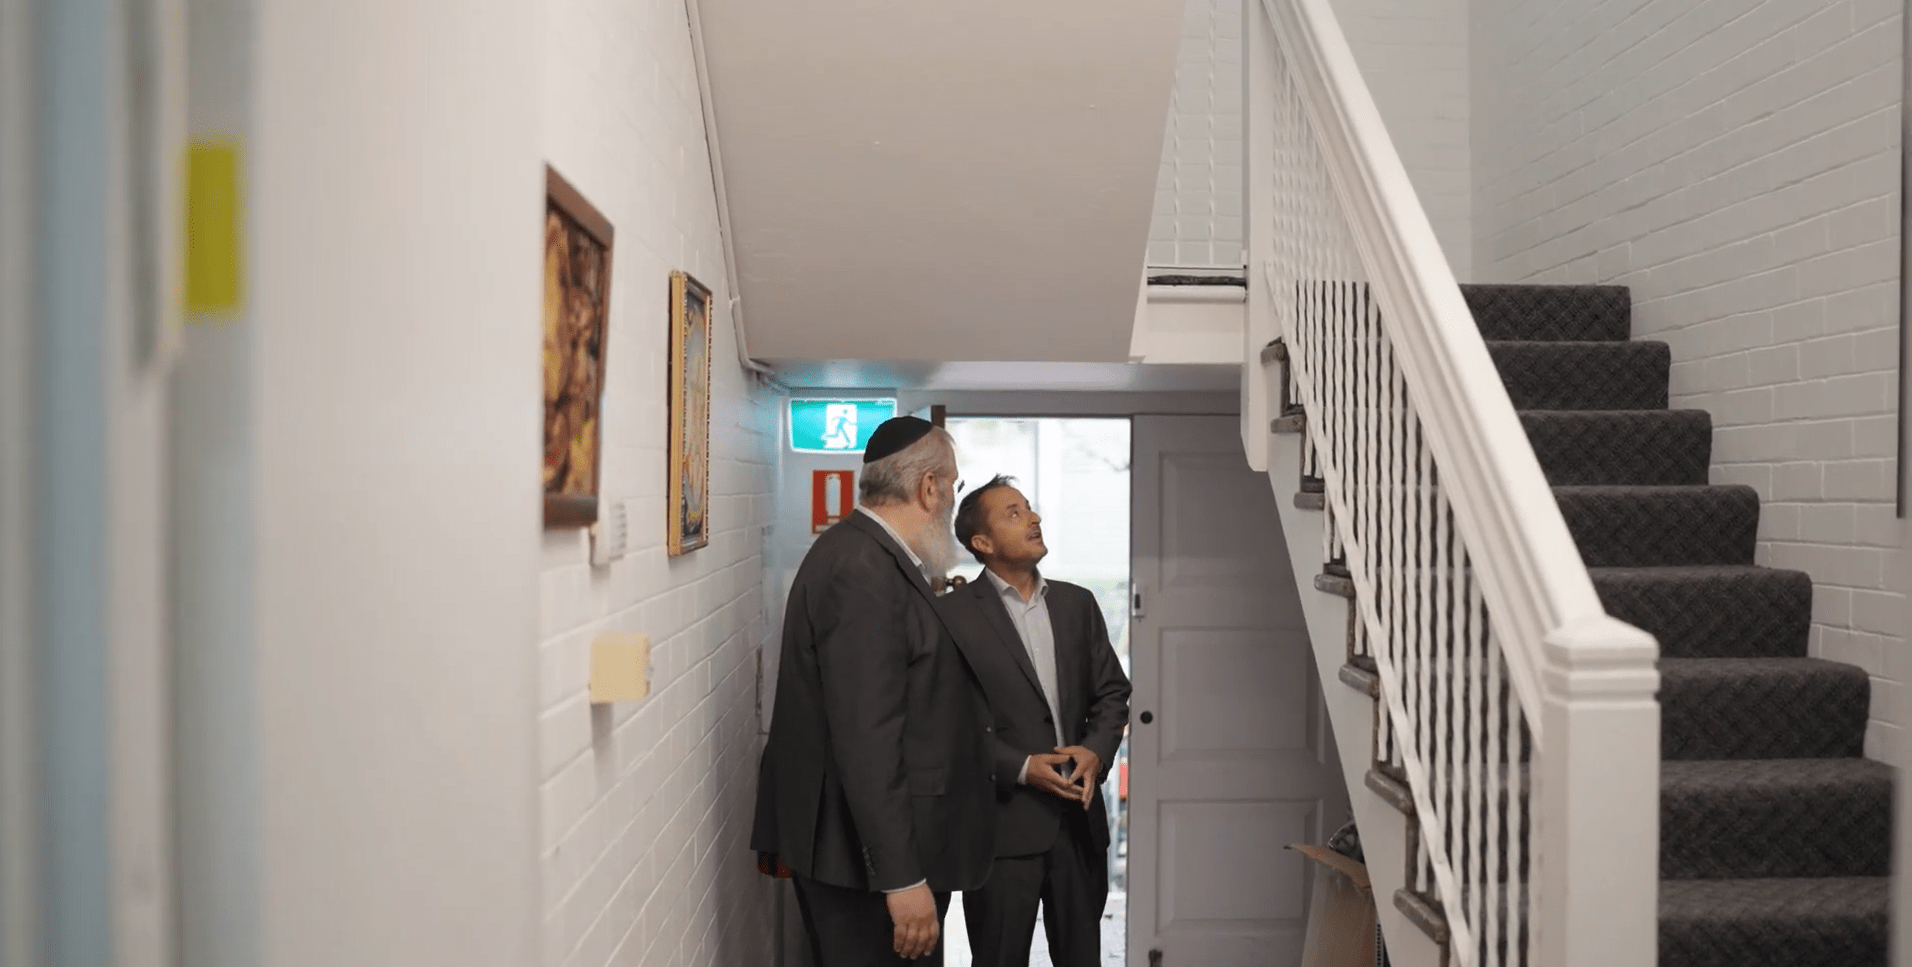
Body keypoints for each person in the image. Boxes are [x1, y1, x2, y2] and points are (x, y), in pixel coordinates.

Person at [751, 416, 997, 965]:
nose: (952, 498)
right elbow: (867, 739)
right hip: (864, 866)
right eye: (953, 485)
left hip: (866, 856)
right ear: (928, 488)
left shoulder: (867, 553)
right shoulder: (862, 569)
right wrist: (902, 878)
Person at [938, 476, 1131, 967]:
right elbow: (945, 726)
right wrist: (1021, 767)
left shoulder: (1077, 604)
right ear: (982, 543)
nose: (1034, 518)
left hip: (1079, 827)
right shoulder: (950, 617)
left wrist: (1095, 751)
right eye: (1014, 513)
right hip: (1000, 833)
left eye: (1028, 508)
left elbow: (1112, 692)